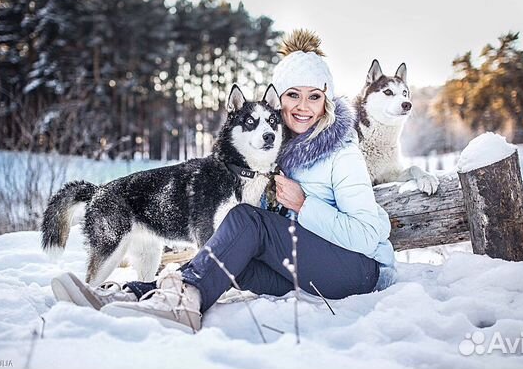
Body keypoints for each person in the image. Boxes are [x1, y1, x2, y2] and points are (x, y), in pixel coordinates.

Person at [50, 29, 396, 333]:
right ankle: (142, 292)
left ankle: (180, 306)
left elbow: (366, 238)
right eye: (293, 95)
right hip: (303, 266)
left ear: (326, 101)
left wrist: (305, 205)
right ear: (279, 100)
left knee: (244, 220)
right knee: (229, 255)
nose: (302, 106)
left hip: (358, 271)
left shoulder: (342, 152)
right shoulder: (275, 151)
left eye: (314, 96)